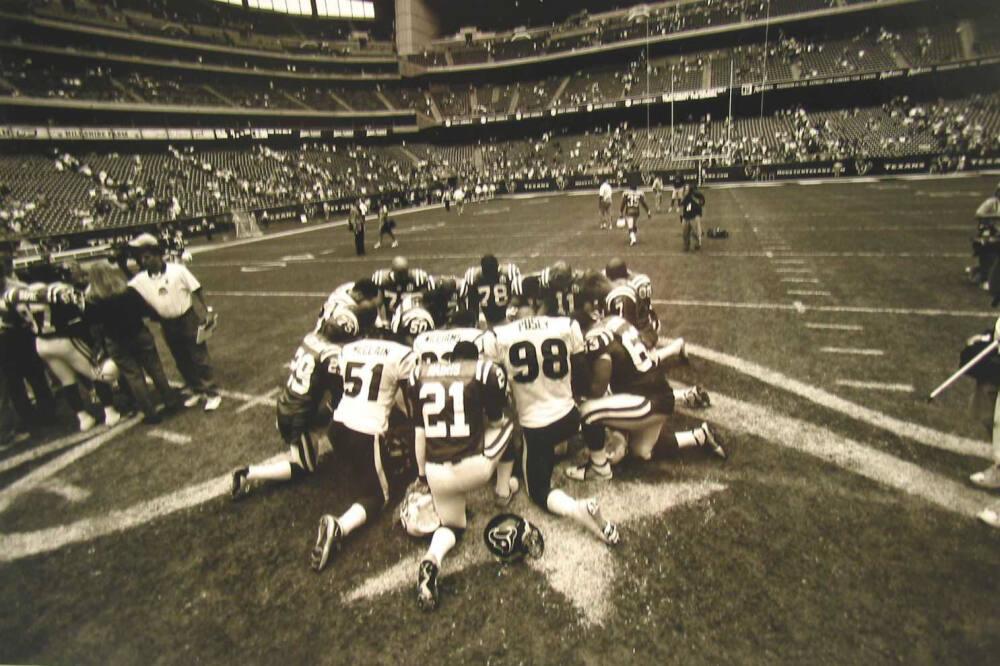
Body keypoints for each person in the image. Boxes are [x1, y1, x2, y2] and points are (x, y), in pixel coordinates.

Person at [491, 304, 620, 546]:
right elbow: (582, 378)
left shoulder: (500, 336)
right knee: (590, 409)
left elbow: (494, 386)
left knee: (538, 491)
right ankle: (600, 462)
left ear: (516, 318)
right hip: (569, 419)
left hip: (536, 428)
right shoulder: (564, 325)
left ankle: (578, 509)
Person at [409, 341, 517, 610]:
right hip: (473, 470)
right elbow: (496, 422)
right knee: (508, 427)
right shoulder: (483, 371)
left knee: (454, 526)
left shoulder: (420, 374)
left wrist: (422, 476)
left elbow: (420, 433)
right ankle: (503, 490)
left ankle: (432, 559)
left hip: (436, 473)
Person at [310, 330, 417, 572]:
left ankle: (363, 467)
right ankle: (340, 527)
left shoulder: (351, 348)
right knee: (378, 496)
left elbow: (336, 387)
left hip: (336, 427)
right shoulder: (401, 354)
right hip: (365, 432)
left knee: (366, 460)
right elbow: (410, 402)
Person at [232, 309, 366, 499]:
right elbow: (340, 390)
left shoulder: (311, 338)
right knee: (305, 467)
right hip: (298, 416)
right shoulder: (332, 355)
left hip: (289, 404)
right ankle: (248, 473)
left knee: (332, 411)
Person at [4, 272, 121, 431]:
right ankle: (110, 411)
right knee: (98, 372)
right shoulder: (54, 291)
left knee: (67, 381)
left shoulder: (14, 296)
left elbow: (10, 313)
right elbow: (80, 306)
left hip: (41, 344)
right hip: (62, 338)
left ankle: (83, 418)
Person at [128, 233, 221, 411]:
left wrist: (208, 310)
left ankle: (212, 393)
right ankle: (197, 390)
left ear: (157, 255)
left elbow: (197, 288)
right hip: (167, 324)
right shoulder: (140, 279)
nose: (144, 261)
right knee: (181, 359)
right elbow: (126, 288)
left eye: (147, 257)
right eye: (141, 258)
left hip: (187, 318)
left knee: (198, 356)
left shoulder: (177, 270)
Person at [85, 260, 180, 425]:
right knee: (155, 369)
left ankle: (150, 413)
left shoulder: (93, 300)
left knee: (134, 377)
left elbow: (93, 326)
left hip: (116, 341)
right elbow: (145, 310)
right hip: (138, 333)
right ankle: (170, 401)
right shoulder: (127, 291)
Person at [459, 254, 521, 327]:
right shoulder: (509, 272)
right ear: (497, 266)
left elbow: (472, 302)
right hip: (508, 316)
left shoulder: (474, 276)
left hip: (489, 320)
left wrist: (475, 321)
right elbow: (518, 296)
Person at [371, 256, 434, 324]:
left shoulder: (418, 278)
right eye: (400, 273)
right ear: (393, 271)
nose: (403, 277)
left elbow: (426, 297)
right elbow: (379, 303)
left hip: (411, 313)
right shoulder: (382, 279)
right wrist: (383, 320)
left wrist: (411, 297)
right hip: (390, 314)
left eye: (404, 273)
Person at [620, 177, 650, 247]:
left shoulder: (626, 193)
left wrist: (621, 212)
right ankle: (633, 235)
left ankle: (633, 239)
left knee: (630, 228)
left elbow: (623, 202)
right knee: (633, 226)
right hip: (637, 211)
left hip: (629, 211)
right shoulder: (640, 193)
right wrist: (648, 211)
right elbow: (643, 203)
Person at [680, 182, 706, 252]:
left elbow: (702, 203)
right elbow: (682, 206)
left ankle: (697, 243)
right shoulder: (685, 197)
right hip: (686, 217)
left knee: (694, 232)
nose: (684, 191)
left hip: (694, 216)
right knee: (685, 233)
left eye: (686, 190)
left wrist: (698, 215)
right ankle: (686, 245)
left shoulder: (696, 196)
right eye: (684, 189)